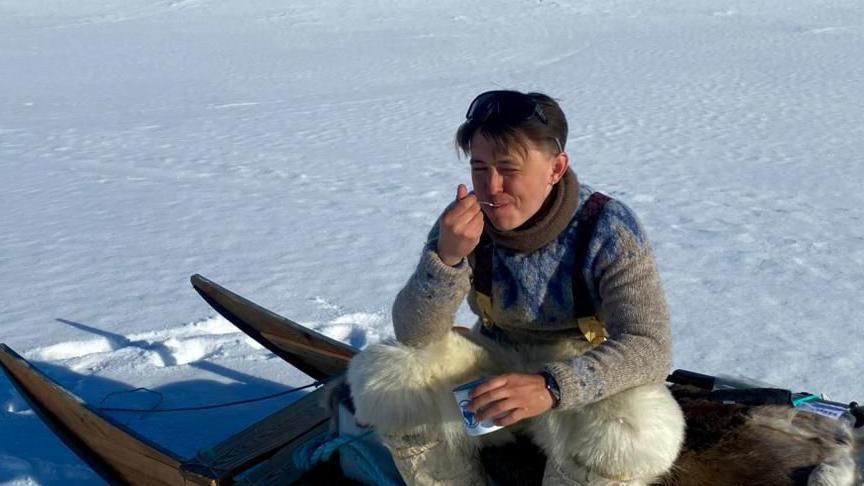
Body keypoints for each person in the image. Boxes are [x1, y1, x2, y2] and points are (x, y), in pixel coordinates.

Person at [347, 90, 685, 485]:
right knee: (388, 378)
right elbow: (414, 334)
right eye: (479, 167)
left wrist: (552, 387)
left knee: (637, 433)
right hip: (495, 362)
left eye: (509, 169)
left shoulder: (608, 229)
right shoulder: (464, 222)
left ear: (556, 168)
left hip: (579, 374)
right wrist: (448, 259)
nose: (491, 187)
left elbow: (649, 344)